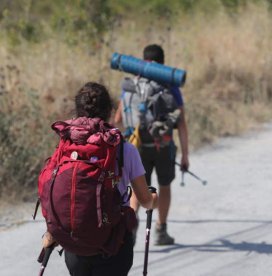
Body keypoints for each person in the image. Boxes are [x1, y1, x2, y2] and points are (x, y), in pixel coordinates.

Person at [42, 82, 158, 275]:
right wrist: (153, 200)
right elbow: (145, 200)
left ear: (77, 111)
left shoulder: (66, 145)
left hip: (74, 245)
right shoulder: (124, 149)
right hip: (112, 245)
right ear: (110, 112)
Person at [114, 44, 190, 245]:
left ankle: (130, 230)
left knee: (138, 188)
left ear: (142, 61)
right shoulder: (170, 86)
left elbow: (118, 119)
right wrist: (185, 155)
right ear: (163, 63)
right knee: (164, 186)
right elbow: (181, 122)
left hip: (136, 147)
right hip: (163, 146)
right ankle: (160, 231)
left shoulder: (131, 85)